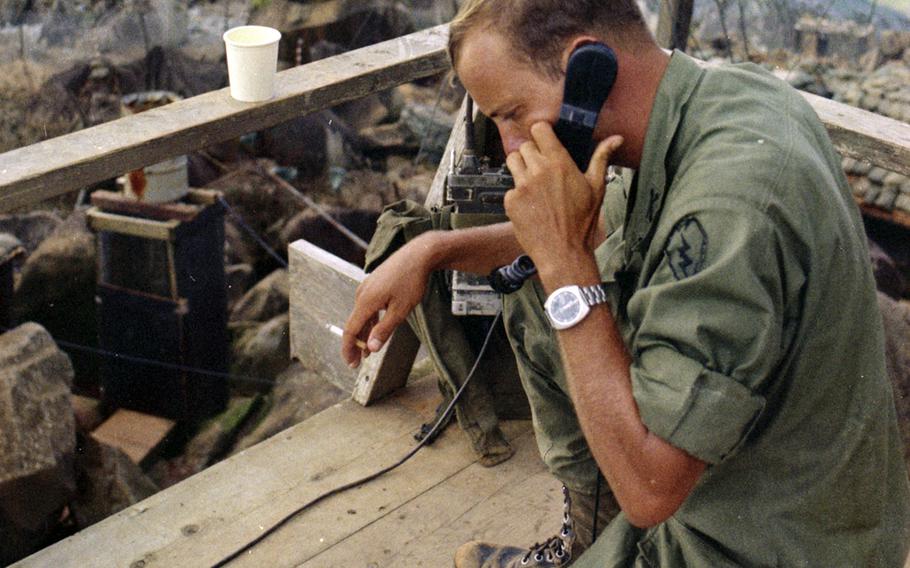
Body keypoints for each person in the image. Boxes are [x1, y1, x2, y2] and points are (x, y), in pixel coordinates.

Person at [342, 0, 910, 566]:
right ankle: (593, 539)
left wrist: (566, 269)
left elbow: (652, 493)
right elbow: (596, 225)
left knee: (558, 283)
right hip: (744, 483)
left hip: (766, 540)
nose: (511, 147)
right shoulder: (718, 99)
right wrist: (433, 250)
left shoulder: (732, 205)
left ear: (591, 68)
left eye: (513, 114)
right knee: (537, 288)